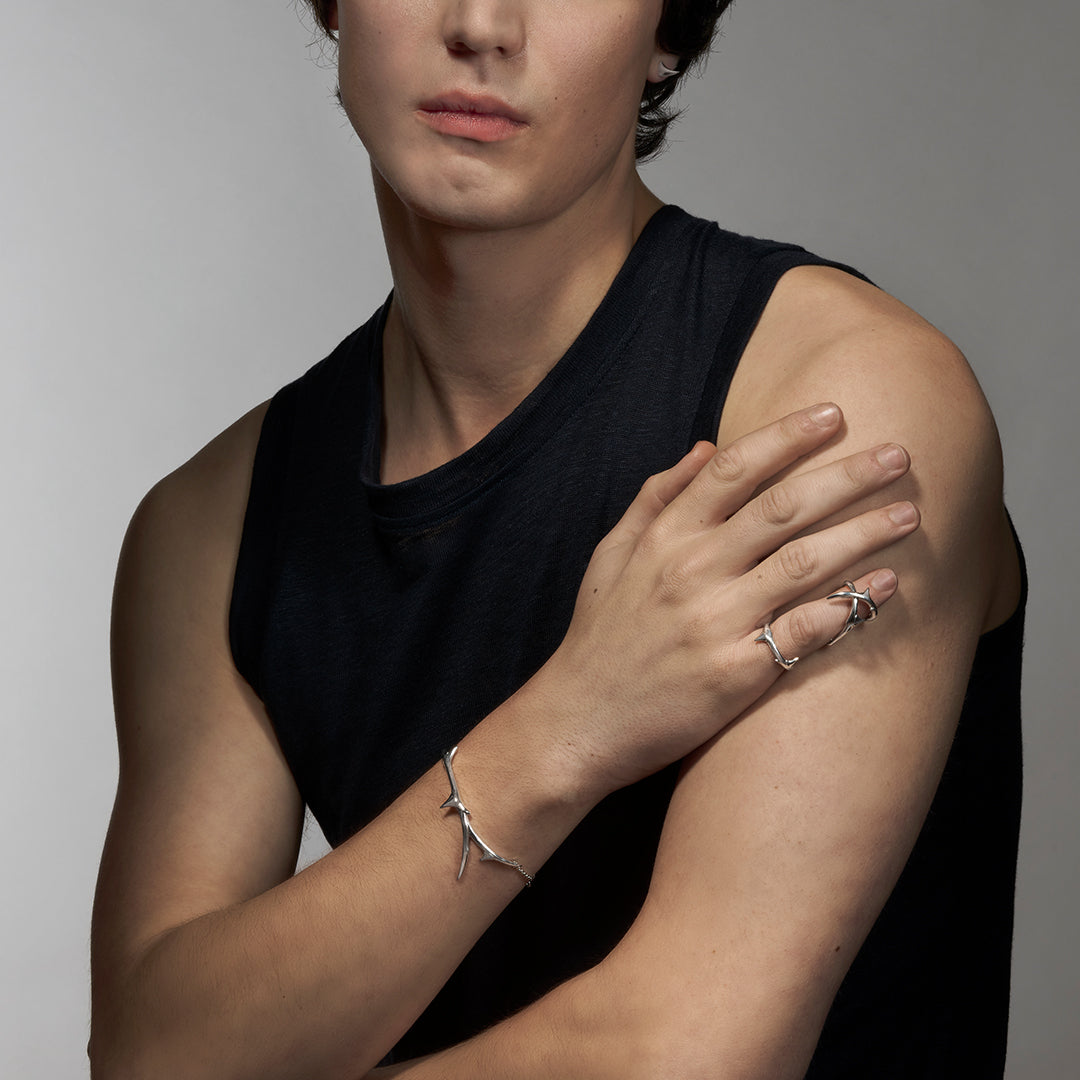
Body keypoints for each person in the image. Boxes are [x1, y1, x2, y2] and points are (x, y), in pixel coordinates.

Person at [89, 1, 1024, 1077]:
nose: (483, 23)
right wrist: (568, 727)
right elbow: (154, 1056)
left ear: (666, 30)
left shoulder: (835, 403)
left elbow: (687, 1055)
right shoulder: (211, 529)